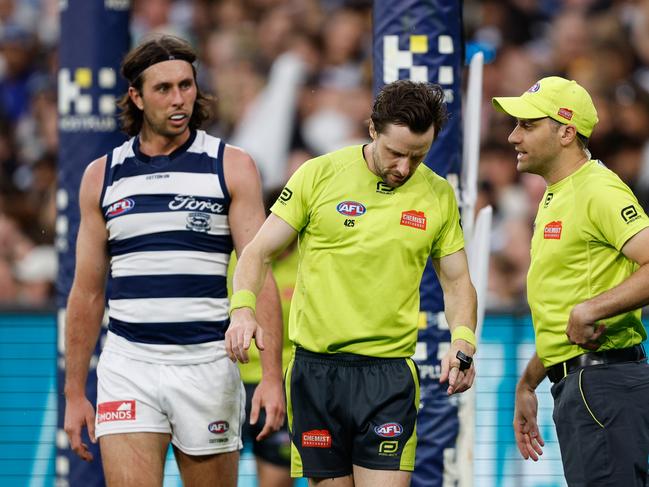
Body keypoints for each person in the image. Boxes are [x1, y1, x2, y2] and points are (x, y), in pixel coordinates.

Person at [226, 79, 478, 487]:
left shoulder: (437, 194)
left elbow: (457, 282)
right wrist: (242, 311)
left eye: (417, 156)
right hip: (315, 375)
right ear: (372, 129)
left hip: (388, 377)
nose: (404, 168)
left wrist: (463, 340)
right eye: (395, 153)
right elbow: (257, 252)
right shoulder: (318, 175)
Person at [63, 35, 285, 487]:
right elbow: (86, 291)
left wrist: (271, 377)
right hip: (129, 364)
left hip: (206, 363)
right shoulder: (101, 177)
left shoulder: (232, 166)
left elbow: (258, 272)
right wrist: (73, 395)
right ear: (137, 96)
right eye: (163, 88)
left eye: (186, 85)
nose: (179, 98)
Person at [493, 76, 649, 486]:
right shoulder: (557, 194)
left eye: (527, 125)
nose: (513, 136)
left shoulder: (597, 189)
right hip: (586, 387)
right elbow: (570, 313)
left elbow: (585, 309)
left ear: (566, 132)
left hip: (604, 387)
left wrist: (593, 309)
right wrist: (528, 384)